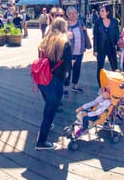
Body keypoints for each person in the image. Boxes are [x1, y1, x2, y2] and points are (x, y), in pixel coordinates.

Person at [35, 17, 72, 151]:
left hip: (42, 79)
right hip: (55, 81)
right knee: (50, 111)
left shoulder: (45, 41)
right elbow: (68, 67)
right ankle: (41, 141)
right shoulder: (65, 42)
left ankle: (48, 125)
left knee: (49, 106)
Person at [93, 4, 119, 87]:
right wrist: (95, 50)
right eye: (100, 11)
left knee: (115, 66)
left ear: (107, 12)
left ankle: (116, 85)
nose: (101, 13)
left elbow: (117, 35)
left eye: (103, 11)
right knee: (100, 67)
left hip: (111, 47)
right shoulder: (98, 23)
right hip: (101, 47)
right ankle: (101, 86)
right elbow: (95, 36)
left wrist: (118, 49)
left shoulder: (114, 21)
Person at [64, 6, 88, 97]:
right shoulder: (65, 25)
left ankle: (75, 85)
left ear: (76, 13)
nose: (72, 15)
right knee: (67, 70)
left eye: (74, 13)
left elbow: (85, 33)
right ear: (67, 15)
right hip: (69, 53)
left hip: (79, 51)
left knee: (77, 69)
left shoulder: (80, 22)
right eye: (70, 14)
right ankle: (65, 88)